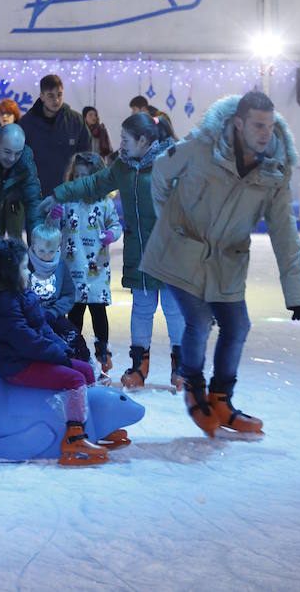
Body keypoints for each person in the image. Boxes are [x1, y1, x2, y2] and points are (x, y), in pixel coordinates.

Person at [141, 91, 300, 437]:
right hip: (181, 253)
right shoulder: (202, 147)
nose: (266, 133)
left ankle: (221, 399)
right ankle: (192, 385)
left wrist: (296, 291)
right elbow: (160, 172)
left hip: (226, 262)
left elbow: (284, 231)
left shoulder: (274, 172)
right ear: (238, 123)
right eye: (258, 125)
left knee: (237, 325)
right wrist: (171, 225)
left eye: (270, 125)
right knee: (200, 320)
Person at [41, 113, 185, 391]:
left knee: (173, 310)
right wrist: (59, 194)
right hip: (140, 253)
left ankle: (181, 367)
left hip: (170, 254)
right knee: (142, 310)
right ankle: (138, 366)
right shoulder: (123, 167)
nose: (121, 144)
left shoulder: (170, 163)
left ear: (143, 140)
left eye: (125, 139)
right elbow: (93, 183)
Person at [0, 238, 110, 466]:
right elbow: (25, 340)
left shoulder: (17, 294)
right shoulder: (1, 303)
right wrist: (58, 354)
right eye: (24, 267)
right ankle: (75, 437)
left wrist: (62, 349)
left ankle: (94, 426)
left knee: (86, 369)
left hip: (28, 356)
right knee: (75, 378)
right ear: (8, 273)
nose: (29, 271)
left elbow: (41, 327)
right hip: (17, 364)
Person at [52, 151, 122, 383]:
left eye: (87, 177)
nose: (82, 181)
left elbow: (115, 224)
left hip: (97, 268)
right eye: (78, 176)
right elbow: (52, 226)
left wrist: (111, 234)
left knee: (98, 311)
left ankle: (103, 353)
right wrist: (54, 216)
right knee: (75, 312)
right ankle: (75, 352)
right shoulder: (67, 200)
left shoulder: (104, 202)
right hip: (73, 267)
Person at [27, 222, 89, 364]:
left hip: (53, 316)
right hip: (30, 317)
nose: (45, 256)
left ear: (58, 249)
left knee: (72, 336)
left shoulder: (61, 266)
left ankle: (80, 363)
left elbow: (68, 295)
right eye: (41, 251)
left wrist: (53, 312)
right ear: (33, 246)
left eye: (51, 252)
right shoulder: (25, 265)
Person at [20, 74, 91, 198]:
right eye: (51, 96)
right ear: (42, 96)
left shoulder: (76, 121)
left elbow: (87, 156)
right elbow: (20, 161)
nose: (56, 100)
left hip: (69, 195)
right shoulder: (27, 123)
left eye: (59, 94)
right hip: (36, 196)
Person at [0, 99, 25, 237]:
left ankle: (18, 259)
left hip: (15, 192)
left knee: (15, 233)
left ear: (15, 116)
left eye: (9, 114)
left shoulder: (23, 136)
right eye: (1, 114)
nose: (4, 117)